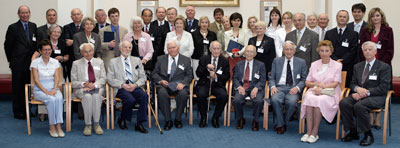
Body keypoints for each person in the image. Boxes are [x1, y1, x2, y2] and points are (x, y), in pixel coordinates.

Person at [339, 41, 391, 146]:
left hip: (377, 96)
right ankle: (353, 131)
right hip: (359, 94)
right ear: (362, 52)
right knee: (344, 102)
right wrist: (357, 89)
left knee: (360, 106)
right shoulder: (357, 66)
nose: (367, 52)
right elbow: (352, 83)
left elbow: (384, 88)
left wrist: (365, 93)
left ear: (375, 51)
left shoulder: (384, 67)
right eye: (365, 50)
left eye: (370, 49)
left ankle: (368, 134)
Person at [300, 40, 342, 143]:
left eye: (326, 51)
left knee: (320, 100)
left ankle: (314, 133)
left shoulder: (337, 65)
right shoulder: (314, 64)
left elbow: (335, 83)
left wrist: (322, 88)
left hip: (330, 91)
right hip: (314, 89)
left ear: (331, 52)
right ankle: (308, 132)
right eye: (322, 51)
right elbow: (307, 81)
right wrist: (316, 86)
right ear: (319, 52)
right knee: (309, 98)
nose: (324, 53)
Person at [359, 7, 394, 131]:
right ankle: (370, 117)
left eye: (377, 15)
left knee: (379, 90)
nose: (375, 18)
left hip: (383, 67)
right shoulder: (365, 30)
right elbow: (361, 48)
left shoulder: (388, 30)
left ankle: (377, 118)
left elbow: (390, 50)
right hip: (368, 65)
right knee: (368, 88)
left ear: (381, 16)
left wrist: (379, 65)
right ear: (370, 18)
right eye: (373, 16)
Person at [107, 41, 148, 133]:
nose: (127, 49)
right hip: (121, 87)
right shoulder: (113, 62)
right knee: (130, 100)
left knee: (144, 96)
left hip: (134, 85)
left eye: (129, 47)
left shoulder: (137, 60)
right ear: (121, 48)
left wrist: (136, 85)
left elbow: (143, 77)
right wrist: (122, 85)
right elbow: (109, 78)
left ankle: (139, 123)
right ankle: (122, 118)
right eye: (125, 47)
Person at [4, 5, 37, 119]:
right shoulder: (13, 27)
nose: (25, 15)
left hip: (30, 64)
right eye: (22, 13)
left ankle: (27, 110)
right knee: (17, 88)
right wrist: (12, 60)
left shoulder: (33, 26)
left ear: (29, 13)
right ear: (18, 14)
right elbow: (7, 46)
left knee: (28, 88)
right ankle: (18, 111)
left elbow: (34, 44)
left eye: (27, 12)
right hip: (18, 63)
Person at [152, 40, 193, 130]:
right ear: (167, 49)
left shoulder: (185, 60)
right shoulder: (160, 59)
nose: (172, 50)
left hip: (179, 84)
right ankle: (168, 120)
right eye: (169, 48)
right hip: (164, 84)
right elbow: (154, 74)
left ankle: (178, 119)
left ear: (178, 48)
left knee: (183, 94)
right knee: (162, 93)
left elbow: (189, 75)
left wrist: (183, 83)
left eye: (174, 47)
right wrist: (161, 80)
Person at [269, 41, 307, 134]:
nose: (289, 51)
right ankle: (282, 124)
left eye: (291, 49)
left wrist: (298, 88)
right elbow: (271, 77)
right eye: (286, 49)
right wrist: (273, 86)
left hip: (293, 88)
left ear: (294, 51)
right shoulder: (276, 61)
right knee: (275, 100)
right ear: (283, 51)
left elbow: (304, 78)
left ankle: (281, 123)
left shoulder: (301, 62)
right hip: (279, 87)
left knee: (292, 102)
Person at [33, 25, 70, 121]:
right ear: (50, 32)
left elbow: (67, 56)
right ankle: (43, 113)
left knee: (59, 91)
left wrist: (62, 58)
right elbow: (35, 55)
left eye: (58, 32)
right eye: (54, 31)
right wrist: (35, 65)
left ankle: (59, 112)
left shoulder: (62, 43)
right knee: (45, 90)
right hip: (43, 70)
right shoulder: (45, 43)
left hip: (58, 69)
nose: (56, 34)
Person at [30, 39, 65, 138]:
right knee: (51, 99)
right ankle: (52, 126)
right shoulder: (35, 62)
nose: (47, 52)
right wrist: (46, 91)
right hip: (39, 89)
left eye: (49, 49)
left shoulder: (55, 62)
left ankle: (58, 126)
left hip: (53, 87)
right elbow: (36, 80)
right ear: (40, 51)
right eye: (44, 50)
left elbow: (57, 78)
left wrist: (54, 89)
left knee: (59, 98)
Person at [71, 43, 106, 136]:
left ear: (93, 51)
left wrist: (94, 85)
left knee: (96, 96)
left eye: (90, 51)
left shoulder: (100, 62)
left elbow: (103, 78)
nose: (88, 54)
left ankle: (96, 123)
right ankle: (88, 124)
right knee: (87, 97)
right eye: (85, 52)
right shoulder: (76, 64)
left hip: (96, 87)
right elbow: (73, 82)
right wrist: (84, 84)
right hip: (82, 89)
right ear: (81, 53)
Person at [195, 41, 230, 128]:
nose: (216, 51)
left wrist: (216, 76)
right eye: (214, 48)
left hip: (218, 85)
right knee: (200, 94)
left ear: (220, 50)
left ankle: (215, 118)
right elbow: (198, 73)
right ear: (210, 49)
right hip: (204, 83)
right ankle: (203, 117)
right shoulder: (204, 59)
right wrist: (206, 68)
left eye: (218, 49)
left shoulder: (224, 61)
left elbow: (227, 76)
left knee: (224, 96)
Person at [232, 45, 266, 131]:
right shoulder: (238, 64)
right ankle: (240, 119)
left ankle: (256, 120)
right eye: (247, 51)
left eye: (251, 52)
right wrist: (239, 87)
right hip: (242, 86)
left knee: (259, 100)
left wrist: (256, 88)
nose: (249, 53)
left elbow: (263, 79)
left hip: (255, 86)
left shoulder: (260, 65)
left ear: (255, 54)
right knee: (237, 100)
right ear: (244, 53)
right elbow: (235, 78)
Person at [324, 10, 358, 87]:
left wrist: (342, 61)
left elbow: (353, 51)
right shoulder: (329, 33)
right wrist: (336, 60)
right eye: (340, 16)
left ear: (348, 19)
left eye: (344, 17)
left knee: (345, 89)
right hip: (331, 65)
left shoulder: (353, 34)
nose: (342, 18)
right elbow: (326, 49)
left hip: (347, 66)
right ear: (336, 18)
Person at [224, 12, 250, 78]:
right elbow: (226, 47)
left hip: (242, 57)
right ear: (231, 21)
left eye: (238, 20)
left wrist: (239, 53)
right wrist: (232, 54)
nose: (236, 22)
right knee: (232, 75)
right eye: (234, 20)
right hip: (231, 58)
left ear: (241, 22)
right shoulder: (227, 33)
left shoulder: (245, 32)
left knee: (242, 76)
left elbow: (246, 45)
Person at [64, 8, 83, 80]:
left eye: (78, 14)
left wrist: (73, 41)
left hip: (84, 57)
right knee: (72, 80)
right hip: (71, 58)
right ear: (71, 17)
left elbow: (87, 42)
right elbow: (68, 42)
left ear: (81, 16)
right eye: (74, 15)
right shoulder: (67, 27)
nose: (76, 16)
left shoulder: (86, 26)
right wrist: (81, 41)